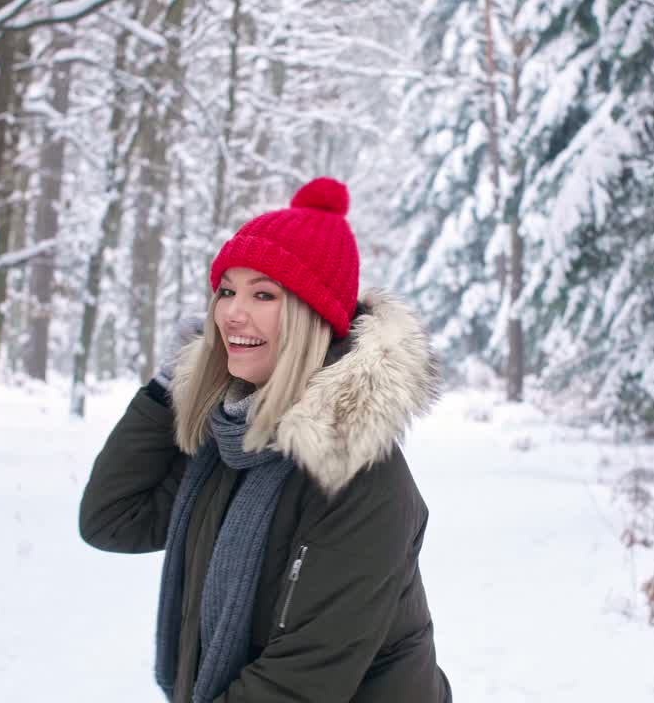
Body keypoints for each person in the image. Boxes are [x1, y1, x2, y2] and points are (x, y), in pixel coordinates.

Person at [79, 177, 452, 703]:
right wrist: (171, 387)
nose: (231, 312)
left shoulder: (358, 470)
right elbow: (112, 520)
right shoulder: (231, 441)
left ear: (311, 316)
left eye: (263, 294)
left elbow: (302, 677)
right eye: (226, 291)